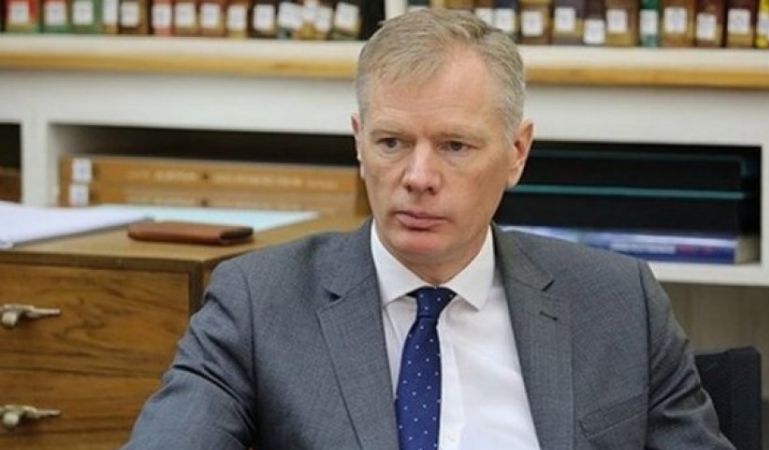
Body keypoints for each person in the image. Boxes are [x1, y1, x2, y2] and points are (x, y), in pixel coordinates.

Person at [123, 8, 733, 450]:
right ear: (358, 143)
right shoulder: (259, 303)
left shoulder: (618, 304)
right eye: (391, 142)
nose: (418, 177)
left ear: (517, 153)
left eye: (455, 146)